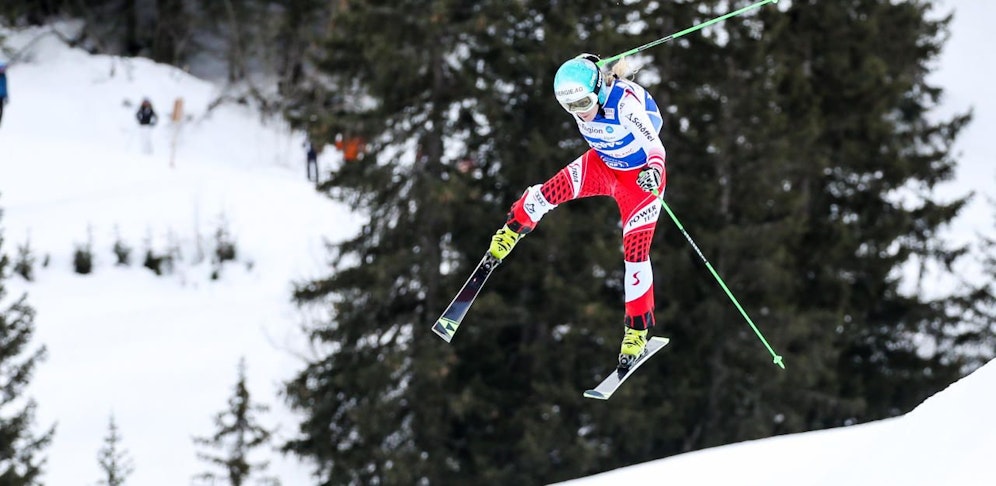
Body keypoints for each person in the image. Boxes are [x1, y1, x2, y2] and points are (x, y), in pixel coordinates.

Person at [488, 54, 667, 369]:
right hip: (601, 165)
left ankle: (636, 332)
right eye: (570, 107)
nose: (579, 112)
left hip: (640, 181)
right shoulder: (582, 92)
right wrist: (585, 62)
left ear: (597, 91)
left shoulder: (625, 105)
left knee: (635, 254)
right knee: (546, 193)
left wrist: (653, 169)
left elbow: (655, 146)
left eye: (583, 102)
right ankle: (510, 231)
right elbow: (582, 73)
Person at [0, 61, 8, 127]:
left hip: (2, 96)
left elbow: (5, 87)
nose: (2, 70)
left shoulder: (4, 76)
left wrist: (6, 96)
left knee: (1, 111)